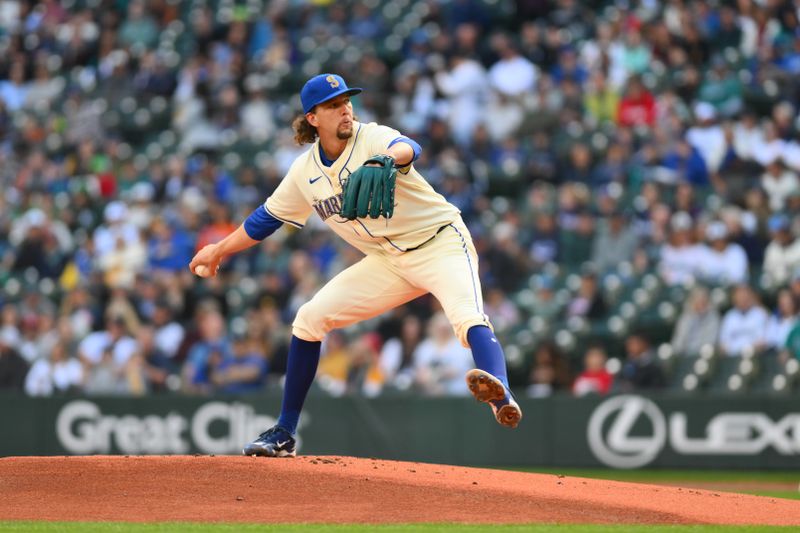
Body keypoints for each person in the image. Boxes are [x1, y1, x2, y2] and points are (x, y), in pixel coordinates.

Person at [189, 73, 521, 457]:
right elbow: (266, 218)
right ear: (312, 118)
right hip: (387, 261)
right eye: (333, 105)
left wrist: (386, 159)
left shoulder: (372, 137)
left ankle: (500, 393)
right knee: (309, 319)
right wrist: (219, 250)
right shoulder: (304, 172)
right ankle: (283, 432)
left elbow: (409, 147)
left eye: (347, 100)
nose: (345, 109)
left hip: (440, 243)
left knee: (465, 315)